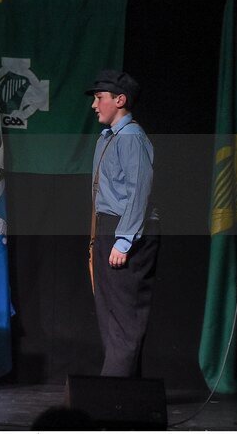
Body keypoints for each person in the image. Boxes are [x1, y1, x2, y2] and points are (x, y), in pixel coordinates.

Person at [85, 69, 158, 377]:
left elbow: (139, 190)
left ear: (120, 100)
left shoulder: (131, 138)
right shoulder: (109, 137)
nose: (94, 105)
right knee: (110, 314)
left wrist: (124, 239)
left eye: (99, 98)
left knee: (124, 316)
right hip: (108, 228)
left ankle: (113, 388)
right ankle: (125, 388)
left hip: (127, 230)